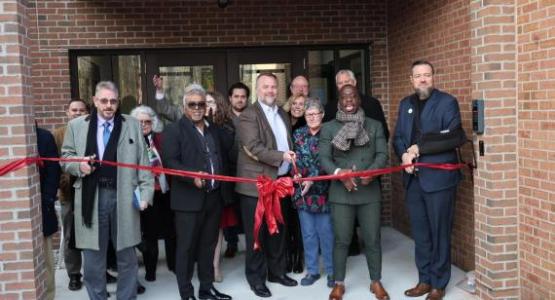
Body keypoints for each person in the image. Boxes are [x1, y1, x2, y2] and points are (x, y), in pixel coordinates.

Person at [61, 81, 154, 300]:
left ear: (118, 102)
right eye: (103, 101)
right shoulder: (77, 126)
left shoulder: (131, 124)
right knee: (93, 259)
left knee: (127, 256)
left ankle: (127, 297)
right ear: (94, 101)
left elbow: (144, 162)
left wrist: (146, 194)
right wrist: (79, 166)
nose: (108, 105)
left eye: (113, 101)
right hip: (90, 199)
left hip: (124, 196)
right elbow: (65, 159)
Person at [393, 60, 465, 300]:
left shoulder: (447, 103)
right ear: (411, 79)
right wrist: (404, 154)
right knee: (421, 233)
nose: (422, 79)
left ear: (433, 78)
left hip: (440, 182)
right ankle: (424, 280)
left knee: (439, 232)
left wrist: (417, 149)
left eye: (427, 75)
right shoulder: (406, 104)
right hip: (413, 181)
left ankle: (438, 284)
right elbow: (398, 137)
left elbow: (453, 137)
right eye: (418, 76)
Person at [161, 84, 232, 300]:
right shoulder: (174, 129)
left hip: (213, 198)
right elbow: (170, 162)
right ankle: (186, 293)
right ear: (184, 107)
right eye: (192, 104)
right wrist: (192, 176)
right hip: (188, 201)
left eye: (201, 104)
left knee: (208, 246)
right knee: (186, 249)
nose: (197, 108)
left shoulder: (212, 129)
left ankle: (206, 288)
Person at [320, 85, 389, 300]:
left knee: (372, 239)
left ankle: (375, 281)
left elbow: (382, 154)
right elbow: (324, 158)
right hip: (341, 193)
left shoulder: (374, 125)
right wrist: (340, 174)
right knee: (341, 240)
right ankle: (339, 283)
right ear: (339, 101)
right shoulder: (329, 128)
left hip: (369, 192)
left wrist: (371, 173)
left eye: (353, 96)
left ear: (359, 99)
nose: (349, 100)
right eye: (344, 97)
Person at [235, 73, 298, 298]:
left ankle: (277, 272)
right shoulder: (248, 115)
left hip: (280, 183)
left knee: (278, 231)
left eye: (273, 87)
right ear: (257, 89)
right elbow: (254, 147)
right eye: (266, 87)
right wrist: (282, 156)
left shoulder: (281, 112)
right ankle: (256, 279)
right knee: (257, 236)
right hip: (256, 186)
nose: (270, 91)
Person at [291, 99, 334, 288]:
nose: (313, 117)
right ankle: (313, 271)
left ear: (322, 115)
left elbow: (331, 163)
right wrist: (297, 174)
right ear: (304, 116)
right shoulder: (298, 134)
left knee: (327, 233)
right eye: (309, 114)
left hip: (325, 192)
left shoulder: (330, 133)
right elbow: (294, 159)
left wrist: (312, 178)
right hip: (303, 193)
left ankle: (333, 272)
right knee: (308, 234)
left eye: (316, 114)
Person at [130, 105, 176, 282]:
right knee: (150, 235)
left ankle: (173, 265)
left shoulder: (161, 139)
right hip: (143, 194)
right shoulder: (130, 141)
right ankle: (151, 271)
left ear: (153, 122)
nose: (144, 124)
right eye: (139, 122)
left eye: (147, 121)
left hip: (164, 191)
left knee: (171, 232)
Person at [53, 99, 88, 291]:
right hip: (69, 194)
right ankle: (74, 274)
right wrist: (63, 184)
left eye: (81, 110)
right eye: (74, 110)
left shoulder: (93, 132)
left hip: (91, 193)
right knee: (69, 235)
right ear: (67, 112)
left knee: (94, 234)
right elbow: (54, 166)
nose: (77, 113)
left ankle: (97, 271)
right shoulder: (58, 135)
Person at [206, 91, 238, 283]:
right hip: (199, 186)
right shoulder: (193, 125)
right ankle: (205, 264)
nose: (207, 106)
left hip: (219, 187)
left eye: (211, 103)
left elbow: (225, 146)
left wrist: (211, 122)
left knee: (216, 229)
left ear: (218, 105)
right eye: (205, 102)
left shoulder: (225, 126)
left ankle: (215, 266)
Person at [222, 82, 250, 259]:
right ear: (230, 98)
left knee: (248, 211)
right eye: (236, 96)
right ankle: (231, 243)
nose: (240, 100)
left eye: (243, 97)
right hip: (229, 172)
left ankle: (252, 244)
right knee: (229, 209)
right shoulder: (222, 119)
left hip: (249, 172)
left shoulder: (253, 117)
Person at [37, 125, 61, 300]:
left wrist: (47, 200)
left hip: (41, 207)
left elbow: (53, 173)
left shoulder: (43, 137)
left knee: (45, 260)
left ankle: (49, 296)